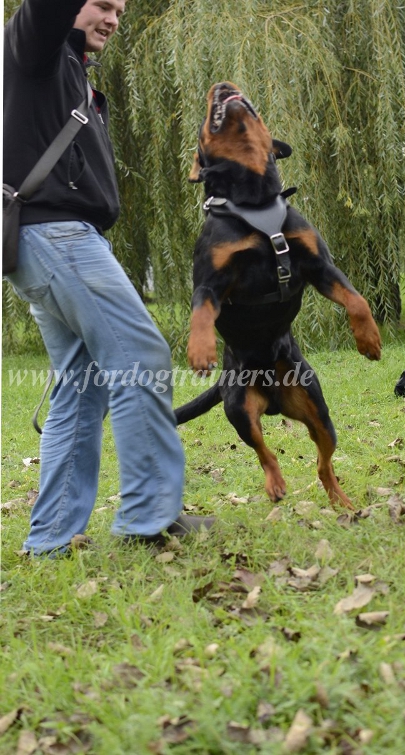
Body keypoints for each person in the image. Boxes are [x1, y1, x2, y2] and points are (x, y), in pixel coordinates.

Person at [3, 0, 214, 556]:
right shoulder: (36, 51)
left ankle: (50, 539)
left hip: (53, 242)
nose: (115, 18)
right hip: (57, 238)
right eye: (102, 5)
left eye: (121, 9)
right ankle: (148, 519)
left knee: (82, 384)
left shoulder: (70, 71)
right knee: (139, 354)